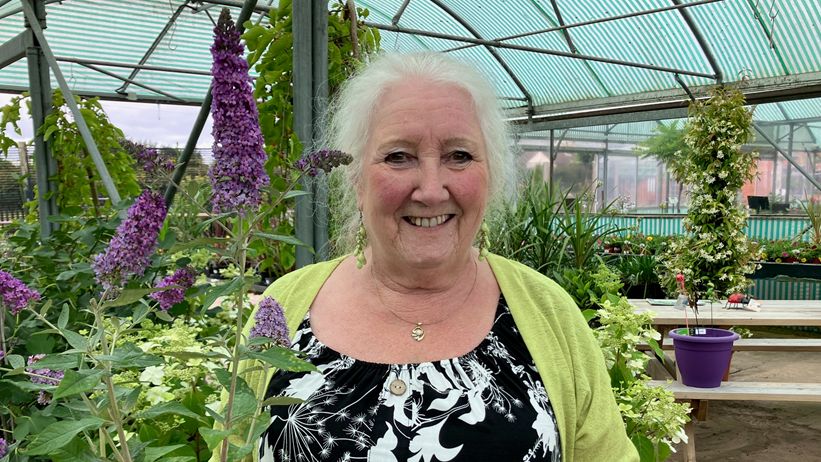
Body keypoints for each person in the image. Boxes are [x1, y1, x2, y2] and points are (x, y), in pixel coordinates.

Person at [237, 52, 638, 461]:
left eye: (458, 156)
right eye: (398, 156)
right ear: (357, 180)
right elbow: (231, 446)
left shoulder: (548, 312)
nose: (430, 190)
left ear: (490, 176)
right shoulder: (281, 309)